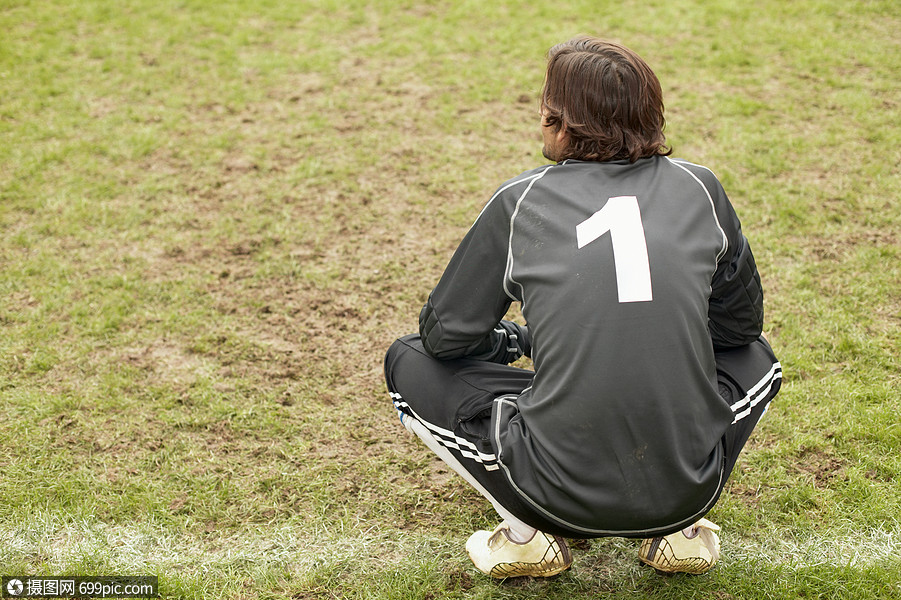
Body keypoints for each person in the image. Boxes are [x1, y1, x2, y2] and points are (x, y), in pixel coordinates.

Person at [384, 35, 782, 579]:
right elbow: (740, 329)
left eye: (549, 104)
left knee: (408, 359)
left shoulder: (520, 201)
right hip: (690, 488)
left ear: (565, 120)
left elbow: (443, 339)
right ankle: (680, 533)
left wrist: (512, 342)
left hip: (554, 492)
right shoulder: (700, 187)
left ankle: (525, 539)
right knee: (757, 356)